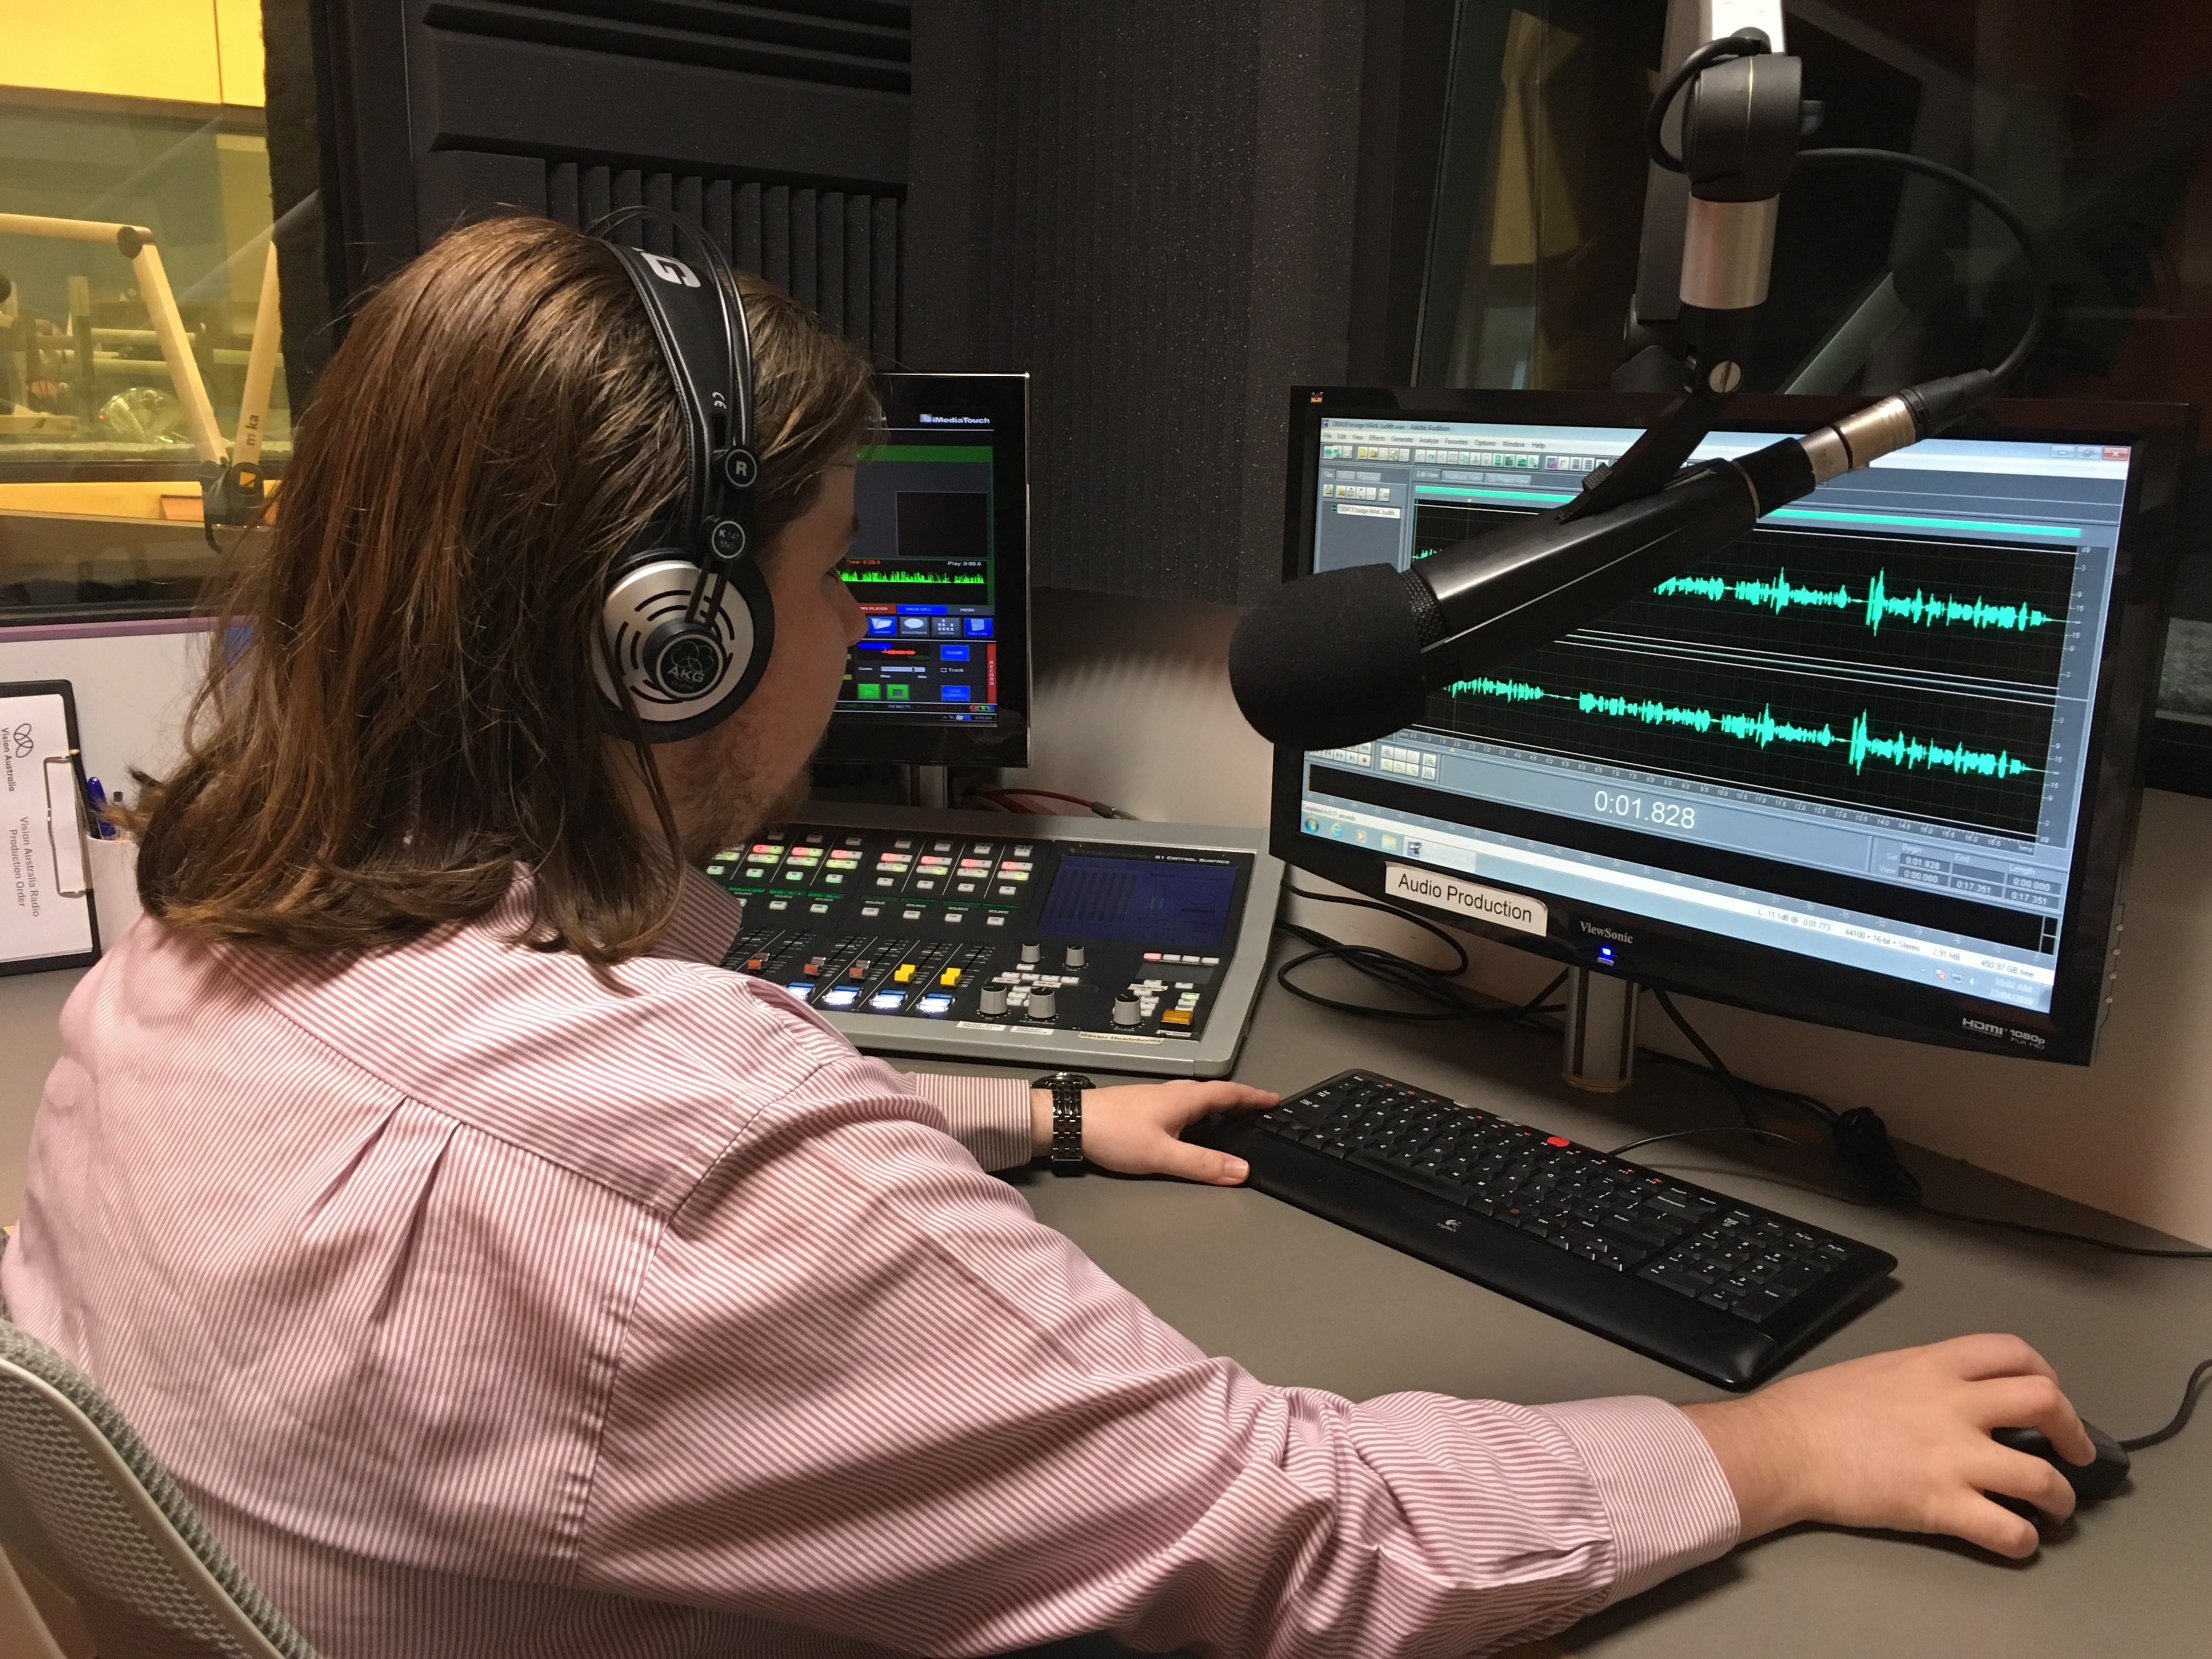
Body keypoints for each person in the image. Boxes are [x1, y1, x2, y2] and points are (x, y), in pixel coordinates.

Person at [0, 215, 2097, 1659]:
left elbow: (572, 1196)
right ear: (668, 644)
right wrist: (1770, 1447)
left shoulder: (171, 966)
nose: (851, 637)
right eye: (834, 586)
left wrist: (1047, 1115)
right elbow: (1300, 1547)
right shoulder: (703, 1160)